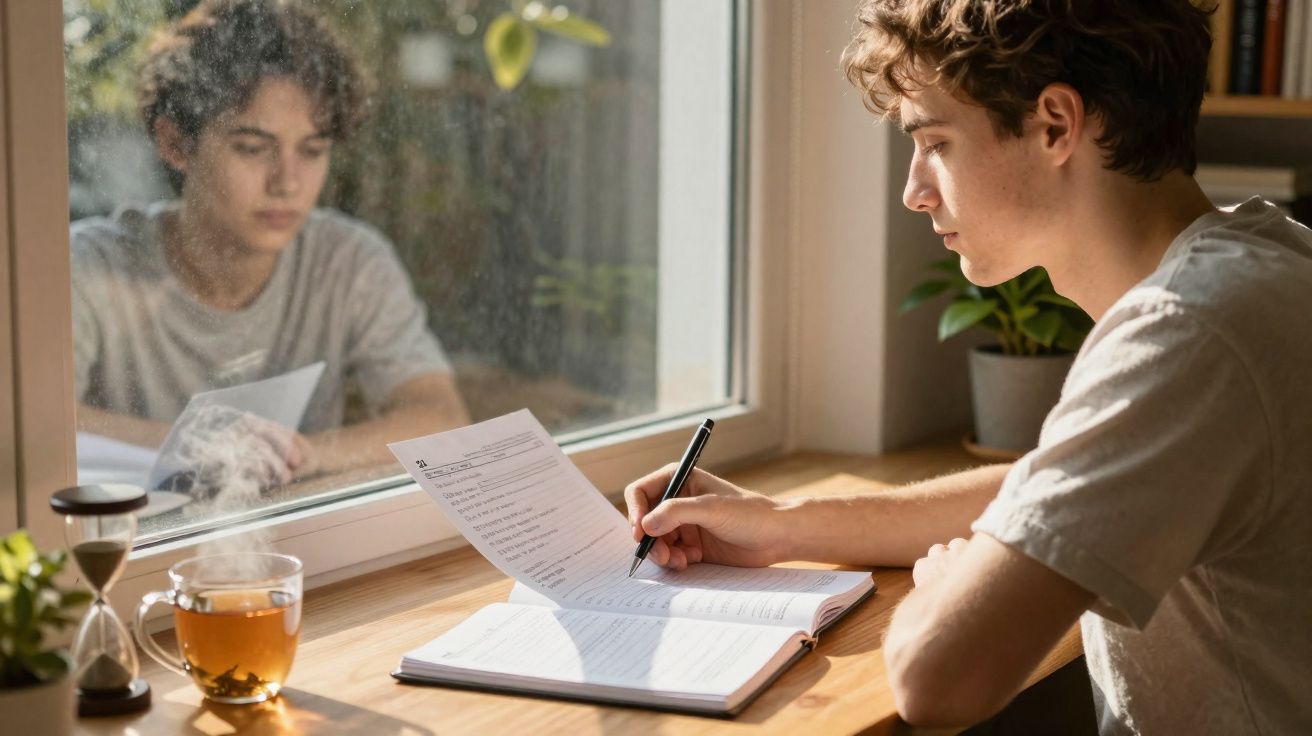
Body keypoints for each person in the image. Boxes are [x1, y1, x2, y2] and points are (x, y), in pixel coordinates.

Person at [625, 1, 1312, 733]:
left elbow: (935, 680)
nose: (913, 190)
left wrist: (952, 584)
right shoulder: (1269, 258)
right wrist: (782, 523)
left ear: (1055, 124)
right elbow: (1053, 492)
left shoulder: (1187, 330)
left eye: (936, 142)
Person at [71, 0, 469, 489]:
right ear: (175, 144)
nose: (288, 182)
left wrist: (304, 453)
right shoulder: (89, 266)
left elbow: (441, 418)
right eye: (253, 148)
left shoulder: (347, 261)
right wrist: (199, 442)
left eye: (313, 150)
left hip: (303, 546)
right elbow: (25, 426)